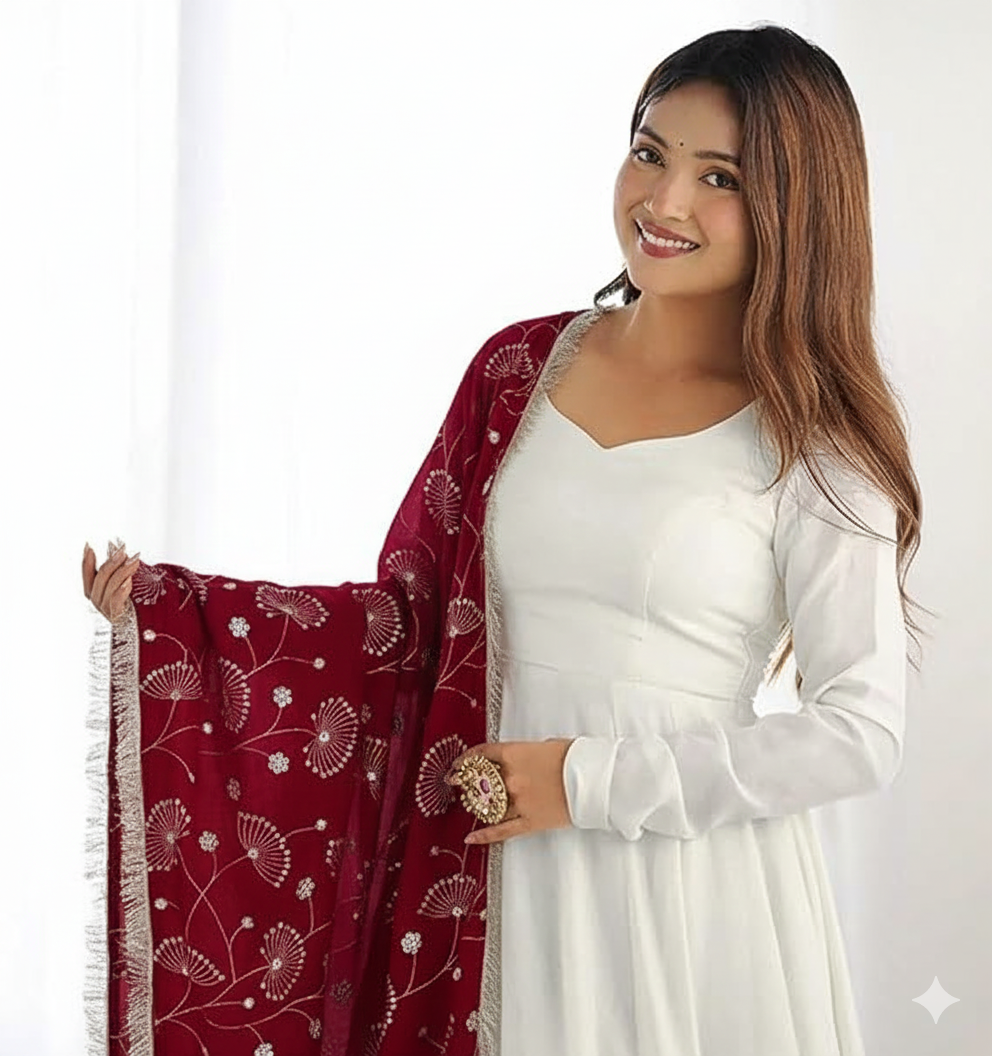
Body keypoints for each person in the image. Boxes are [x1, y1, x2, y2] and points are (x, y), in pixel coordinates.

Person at [82, 23, 929, 1056]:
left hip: (684, 888)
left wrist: (582, 781)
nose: (664, 201)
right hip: (479, 857)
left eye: (720, 178)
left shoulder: (812, 439)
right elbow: (410, 622)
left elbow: (857, 730)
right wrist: (184, 613)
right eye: (649, 152)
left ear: (797, 208)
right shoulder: (518, 371)